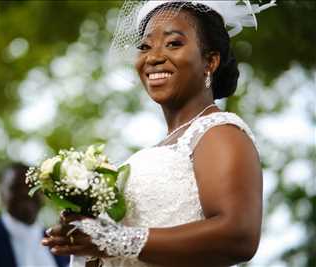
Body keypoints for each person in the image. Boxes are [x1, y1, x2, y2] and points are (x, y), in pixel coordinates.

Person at [42, 1, 275, 267]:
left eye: (173, 43)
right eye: (144, 46)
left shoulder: (218, 132)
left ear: (210, 60)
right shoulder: (159, 147)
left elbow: (238, 235)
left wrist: (117, 240)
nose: (153, 57)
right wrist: (88, 241)